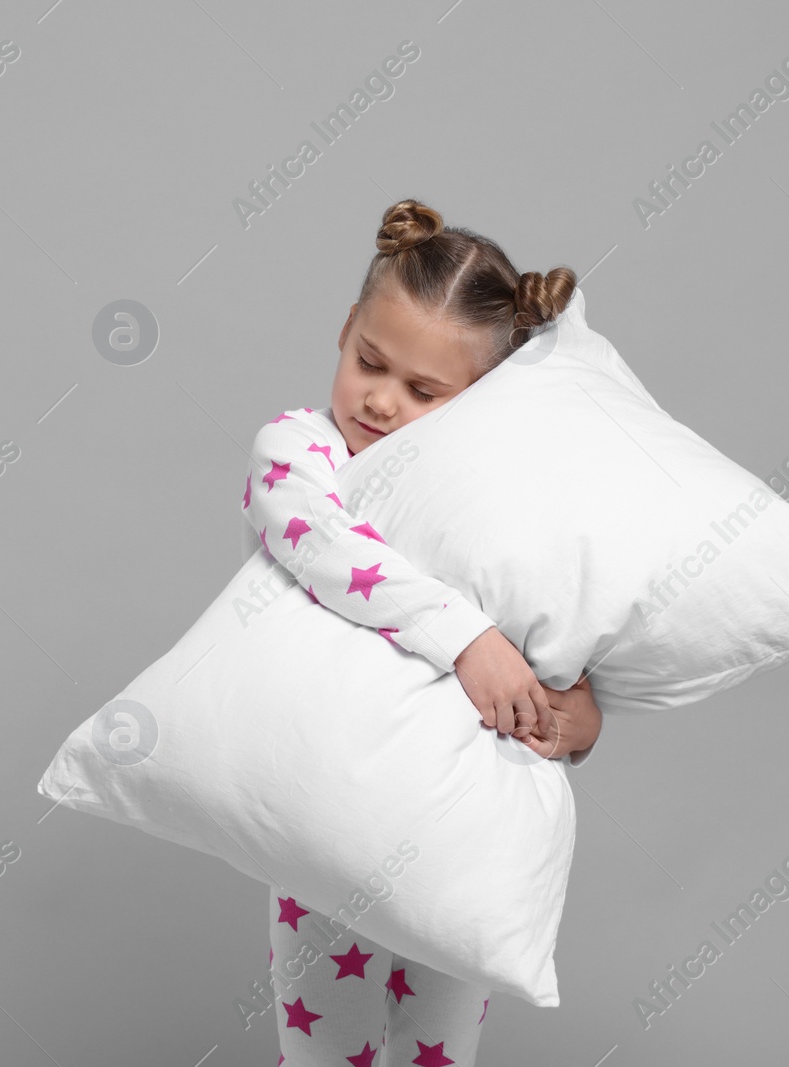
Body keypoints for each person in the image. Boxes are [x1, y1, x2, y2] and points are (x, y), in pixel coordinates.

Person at [243, 198, 603, 1066]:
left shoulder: (492, 515)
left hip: (458, 841)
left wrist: (572, 718)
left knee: (438, 1054)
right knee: (325, 1052)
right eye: (371, 360)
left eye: (424, 391)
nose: (381, 399)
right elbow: (325, 545)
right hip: (325, 824)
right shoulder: (300, 453)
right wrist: (470, 641)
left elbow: (558, 655)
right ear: (345, 330)